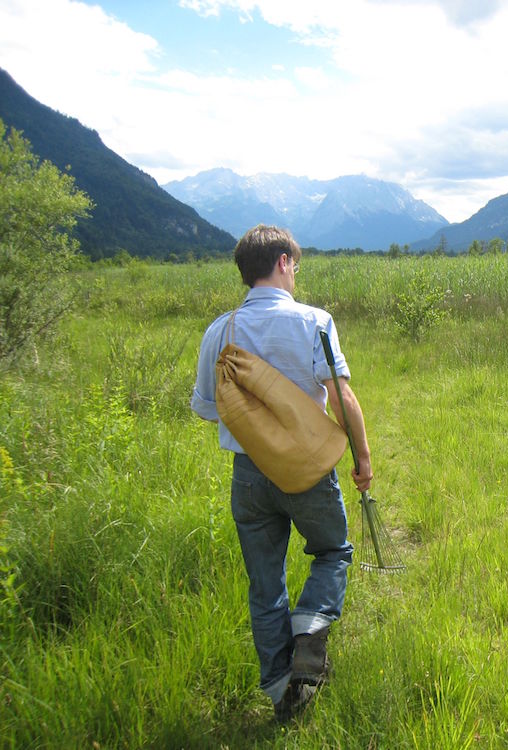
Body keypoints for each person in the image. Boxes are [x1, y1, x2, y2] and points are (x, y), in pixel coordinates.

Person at [190, 224, 373, 722]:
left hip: (248, 475)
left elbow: (208, 409)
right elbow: (341, 397)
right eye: (295, 264)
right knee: (334, 550)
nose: (296, 273)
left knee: (263, 582)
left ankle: (280, 691)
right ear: (283, 263)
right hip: (308, 472)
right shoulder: (314, 321)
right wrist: (362, 458)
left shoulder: (219, 332)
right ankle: (310, 641)